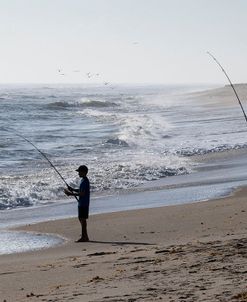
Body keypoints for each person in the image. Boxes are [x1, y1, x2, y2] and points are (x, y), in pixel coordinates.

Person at [64, 165, 90, 242]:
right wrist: (72, 189)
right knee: (81, 218)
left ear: (84, 172)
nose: (78, 173)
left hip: (84, 203)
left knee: (83, 219)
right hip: (82, 203)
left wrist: (70, 194)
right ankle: (84, 235)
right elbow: (80, 190)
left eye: (79, 172)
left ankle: (84, 237)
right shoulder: (83, 180)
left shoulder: (85, 181)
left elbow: (82, 194)